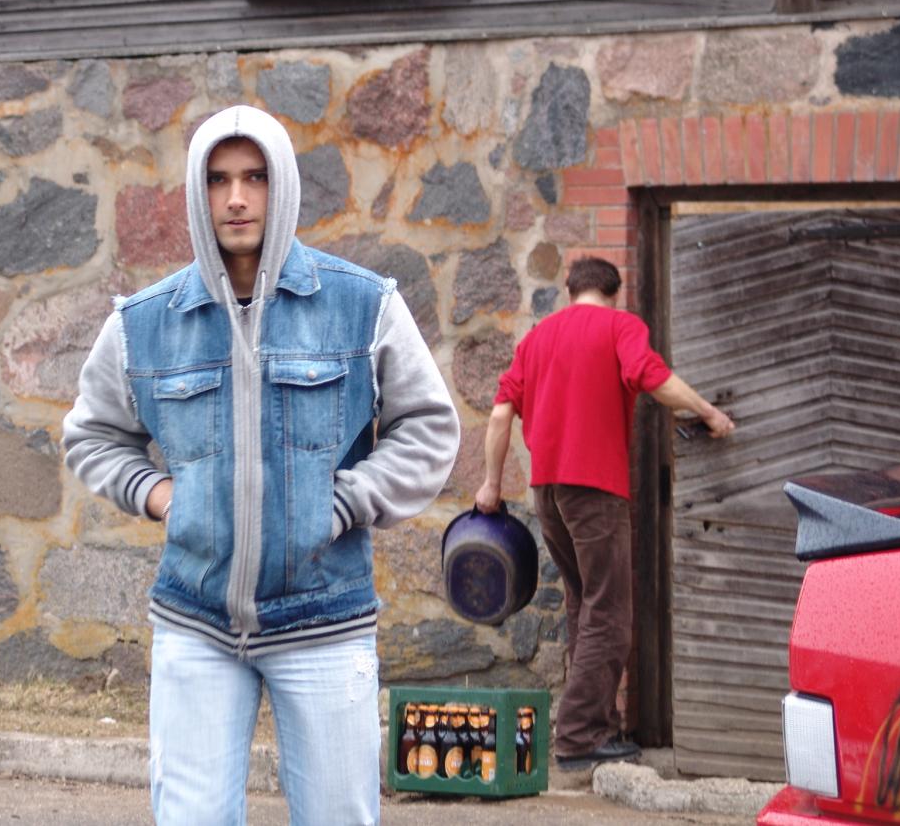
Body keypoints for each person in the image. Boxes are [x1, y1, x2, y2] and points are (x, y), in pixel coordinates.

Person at [63, 105, 460, 824]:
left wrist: (341, 503)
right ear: (197, 192)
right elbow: (91, 435)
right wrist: (160, 495)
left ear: (283, 186)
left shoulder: (362, 305)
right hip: (197, 623)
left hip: (325, 618)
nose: (237, 198)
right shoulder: (144, 323)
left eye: (255, 177)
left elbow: (429, 429)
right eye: (218, 180)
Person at [474, 256, 734, 770]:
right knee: (610, 613)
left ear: (570, 289)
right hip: (595, 489)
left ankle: (598, 726)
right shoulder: (621, 326)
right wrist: (708, 412)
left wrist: (491, 483)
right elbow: (653, 377)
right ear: (615, 292)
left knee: (584, 605)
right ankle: (577, 737)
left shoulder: (537, 338)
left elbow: (501, 414)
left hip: (548, 490)